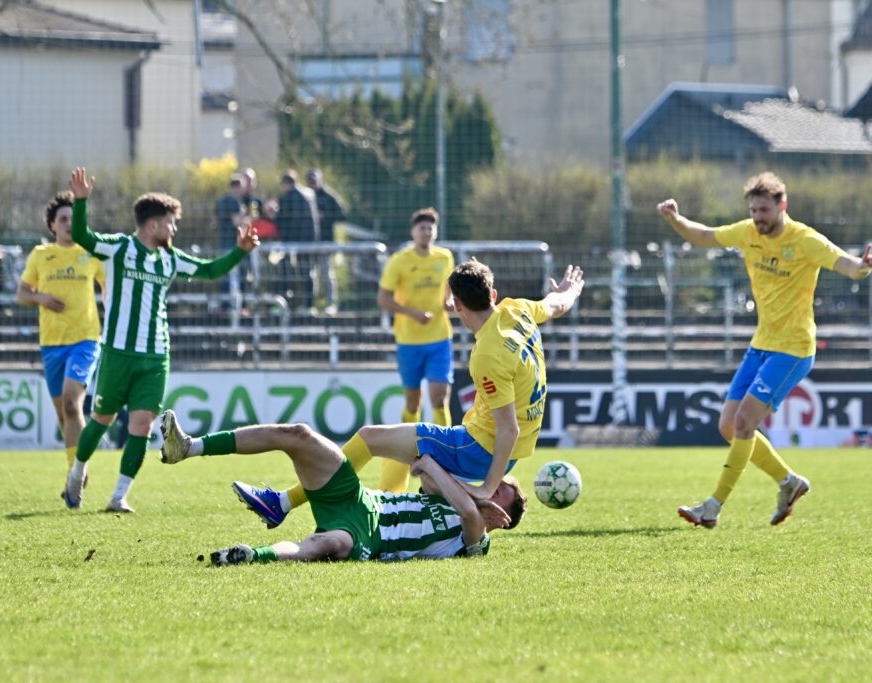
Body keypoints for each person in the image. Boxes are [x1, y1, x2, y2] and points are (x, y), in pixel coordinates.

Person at [229, 259, 584, 529]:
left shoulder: (488, 354)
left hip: (480, 447)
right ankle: (437, 522)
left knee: (369, 439)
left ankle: (283, 504)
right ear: (492, 295)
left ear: (455, 306)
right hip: (495, 446)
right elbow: (556, 304)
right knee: (424, 480)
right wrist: (570, 289)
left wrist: (486, 488)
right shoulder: (517, 309)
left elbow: (509, 429)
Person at [656, 172, 872, 528]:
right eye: (754, 210)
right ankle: (790, 483)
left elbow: (847, 265)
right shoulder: (748, 232)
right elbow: (704, 237)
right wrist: (675, 219)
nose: (758, 217)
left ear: (782, 206)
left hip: (793, 350)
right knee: (729, 426)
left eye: (764, 210)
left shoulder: (805, 240)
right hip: (761, 345)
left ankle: (712, 507)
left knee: (745, 422)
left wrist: (864, 268)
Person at [62, 167, 260, 513]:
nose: (174, 229)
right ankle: (77, 473)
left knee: (142, 425)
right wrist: (81, 202)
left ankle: (119, 496)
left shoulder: (170, 258)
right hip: (118, 352)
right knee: (102, 420)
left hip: (155, 356)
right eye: (170, 223)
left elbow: (209, 270)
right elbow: (83, 234)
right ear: (152, 225)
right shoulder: (119, 249)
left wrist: (240, 251)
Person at [157, 411, 526, 564]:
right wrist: (441, 474)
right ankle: (188, 447)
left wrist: (434, 466)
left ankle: (254, 555)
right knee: (298, 434)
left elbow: (463, 508)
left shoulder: (477, 541)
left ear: (502, 519)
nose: (487, 490)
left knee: (327, 544)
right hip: (358, 498)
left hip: (369, 536)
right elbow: (426, 478)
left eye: (497, 495)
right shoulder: (455, 497)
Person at [17, 191, 105, 480]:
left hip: (85, 340)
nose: (69, 224)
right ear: (52, 225)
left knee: (71, 403)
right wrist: (41, 298)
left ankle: (78, 474)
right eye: (63, 219)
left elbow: (110, 289)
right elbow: (22, 293)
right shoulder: (41, 255)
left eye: (73, 218)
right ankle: (74, 470)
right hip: (52, 344)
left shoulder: (91, 253)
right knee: (63, 413)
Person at [373, 207, 454, 494]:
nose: (426, 232)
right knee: (412, 403)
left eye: (431, 227)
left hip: (439, 338)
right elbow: (383, 298)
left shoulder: (444, 258)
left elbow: (447, 293)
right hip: (408, 340)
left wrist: (449, 304)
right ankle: (410, 450)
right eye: (422, 227)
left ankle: (444, 454)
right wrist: (411, 312)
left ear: (436, 231)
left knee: (440, 397)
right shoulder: (399, 260)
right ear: (413, 232)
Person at [276, 169, 320, 309]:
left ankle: (287, 303)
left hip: (292, 241)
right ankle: (309, 304)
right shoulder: (309, 194)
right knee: (307, 272)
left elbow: (282, 221)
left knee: (287, 272)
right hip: (309, 241)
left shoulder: (287, 197)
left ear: (285, 184)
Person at [305, 168, 345, 242]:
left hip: (325, 236)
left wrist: (325, 217)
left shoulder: (329, 196)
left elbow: (342, 215)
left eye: (314, 181)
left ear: (320, 180)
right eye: (310, 181)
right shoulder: (303, 196)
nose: (312, 184)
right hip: (308, 238)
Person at [214, 175, 246, 251]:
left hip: (222, 240)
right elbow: (237, 222)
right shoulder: (235, 202)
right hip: (233, 242)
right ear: (238, 187)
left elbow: (214, 222)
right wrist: (249, 219)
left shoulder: (220, 201)